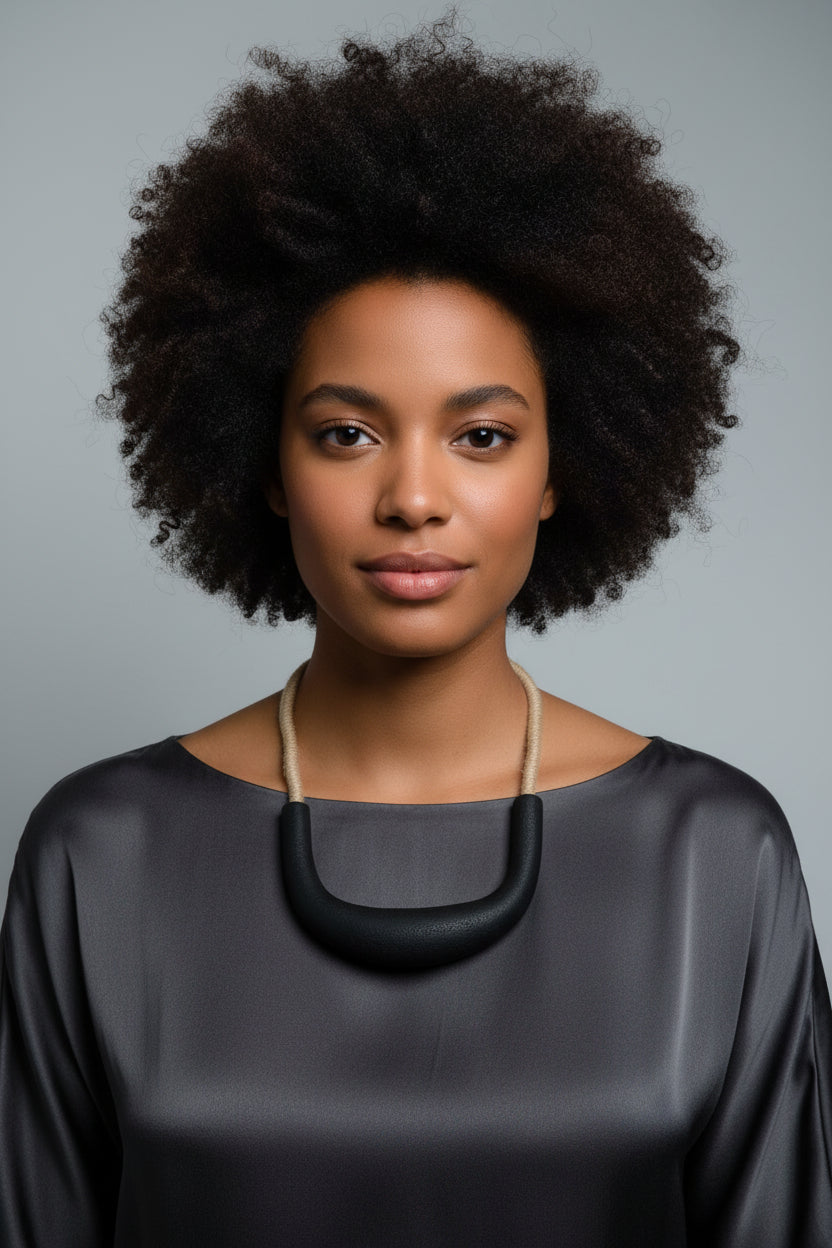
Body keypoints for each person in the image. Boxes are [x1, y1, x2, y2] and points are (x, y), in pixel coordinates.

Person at [2, 9, 830, 1245]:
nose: (414, 497)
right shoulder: (98, 854)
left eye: (482, 435)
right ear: (264, 461)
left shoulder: (713, 859)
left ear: (565, 466)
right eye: (347, 431)